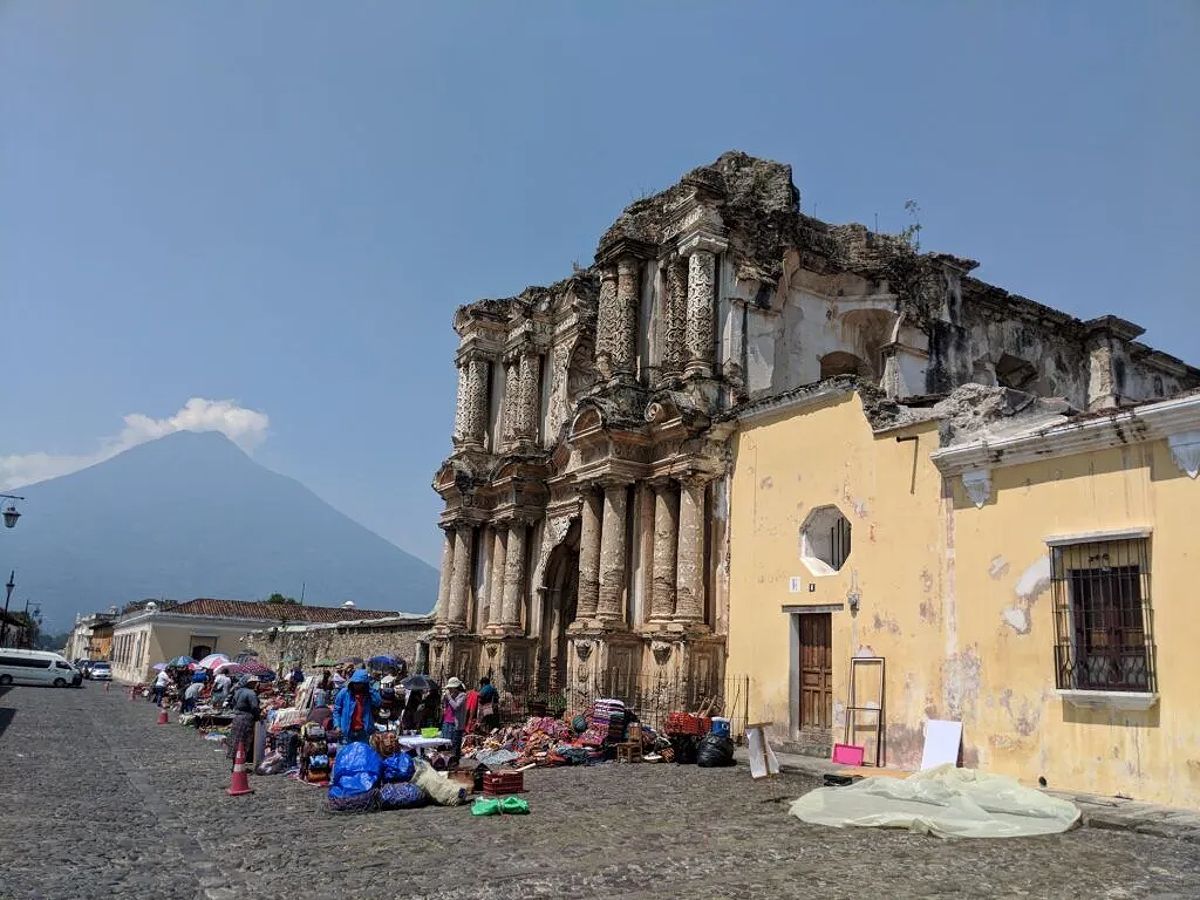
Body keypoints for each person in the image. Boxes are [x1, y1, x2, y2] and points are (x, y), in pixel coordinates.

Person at [332, 669, 381, 744]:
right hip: (347, 733)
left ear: (364, 684)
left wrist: (369, 688)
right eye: (355, 683)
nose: (356, 685)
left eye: (359, 683)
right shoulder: (344, 693)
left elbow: (378, 702)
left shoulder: (368, 695)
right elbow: (337, 710)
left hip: (363, 733)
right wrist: (337, 725)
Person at [228, 675, 261, 766]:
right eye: (254, 683)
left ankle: (235, 763)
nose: (256, 684)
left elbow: (233, 704)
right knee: (244, 741)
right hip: (246, 719)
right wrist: (258, 717)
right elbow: (254, 707)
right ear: (249, 683)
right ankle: (240, 763)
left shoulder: (238, 691)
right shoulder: (251, 693)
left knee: (236, 741)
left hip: (237, 718)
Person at [441, 677, 467, 763]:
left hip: (455, 724)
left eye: (451, 688)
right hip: (447, 721)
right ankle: (447, 761)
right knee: (446, 743)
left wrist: (448, 697)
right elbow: (445, 705)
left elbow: (456, 706)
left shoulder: (462, 695)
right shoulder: (451, 695)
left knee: (455, 744)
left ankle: (455, 762)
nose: (449, 689)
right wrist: (444, 697)